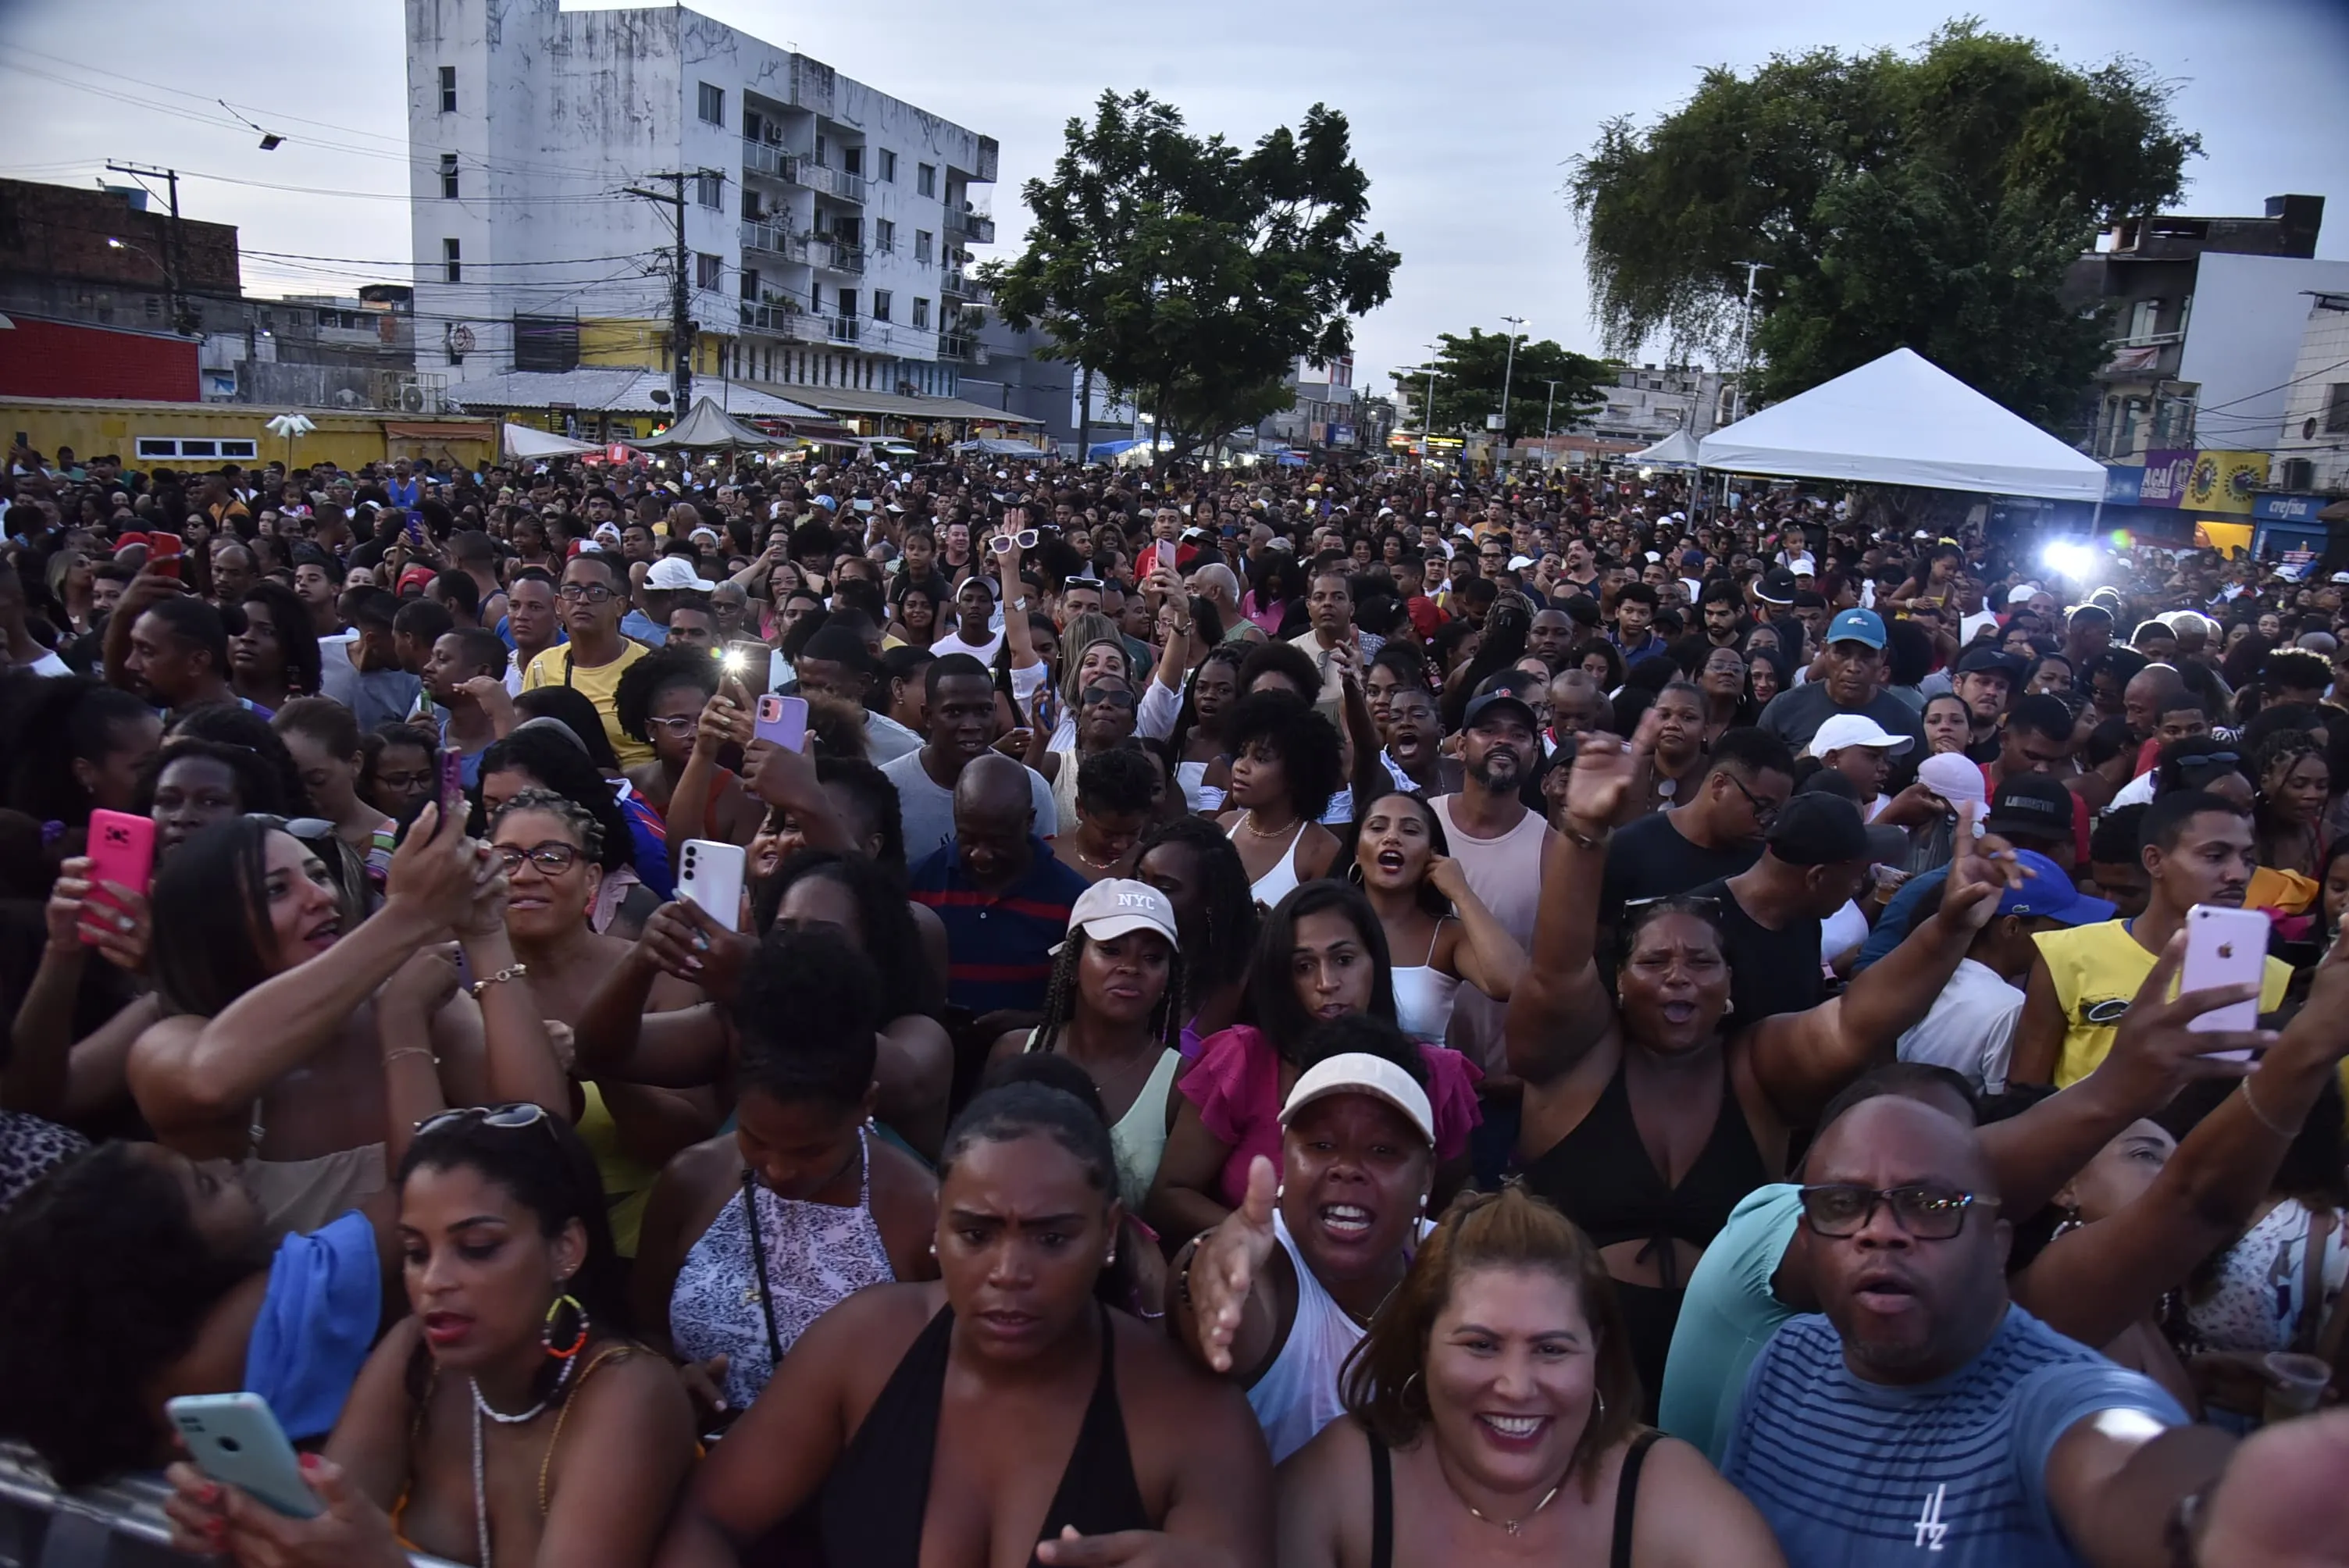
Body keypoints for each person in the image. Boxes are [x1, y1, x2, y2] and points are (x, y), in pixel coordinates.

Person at [1506, 711, 2009, 1409]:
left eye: (1701, 961)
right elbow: (1557, 968)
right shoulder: (1579, 1058)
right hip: (1564, 1363)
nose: (1679, 975)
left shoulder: (1757, 1067)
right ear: (1619, 980)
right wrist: (1585, 832)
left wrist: (1950, 924)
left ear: (1731, 985)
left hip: (1729, 1374)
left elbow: (1859, 1020)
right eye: (1654, 960)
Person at [654, 1081, 1274, 1567]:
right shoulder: (863, 1346)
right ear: (937, 1225)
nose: (1008, 1271)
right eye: (975, 1233)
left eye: (1052, 1237)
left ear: (1109, 1233)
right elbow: (707, 1521)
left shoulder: (1192, 1420)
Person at [1716, 1092, 2244, 1566]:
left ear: (1997, 1246)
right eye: (1842, 1205)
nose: (1880, 1231)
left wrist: (2215, 1519)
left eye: (1931, 1206)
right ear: (1807, 1241)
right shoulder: (1788, 1362)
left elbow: (2128, 1457)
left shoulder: (2048, 1400)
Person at [160, 1107, 697, 1568]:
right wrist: (252, 1527)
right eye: (416, 1252)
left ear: (565, 1249)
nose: (434, 1282)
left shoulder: (629, 1392)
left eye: (478, 1246)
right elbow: (330, 1525)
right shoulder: (416, 1353)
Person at [1277, 1185, 1784, 1568]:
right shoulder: (1346, 1483)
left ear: (1596, 1351)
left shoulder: (1664, 1492)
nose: (1516, 1386)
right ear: (1423, 1343)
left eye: (1550, 1349)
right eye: (1480, 1345)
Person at [128, 804, 567, 1239]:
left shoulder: (406, 995)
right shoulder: (171, 1041)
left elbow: (539, 1133)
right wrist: (410, 915)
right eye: (277, 890)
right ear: (215, 930)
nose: (323, 897)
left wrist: (486, 931)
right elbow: (211, 1081)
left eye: (319, 875)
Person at [633, 925, 938, 1418]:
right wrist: (669, 1377)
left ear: (866, 1105)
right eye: (755, 1138)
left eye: (810, 1150)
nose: (776, 1169)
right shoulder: (690, 1181)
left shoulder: (923, 1215)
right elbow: (644, 1330)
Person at [1146, 882, 1481, 1239]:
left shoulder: (1437, 1076)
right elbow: (1171, 1196)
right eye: (1304, 966)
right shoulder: (1242, 1061)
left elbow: (1449, 1203)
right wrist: (1270, 1244)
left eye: (1344, 960)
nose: (1327, 982)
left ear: (1376, 961)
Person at [1174, 1036, 1444, 1463]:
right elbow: (1227, 1300)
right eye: (1321, 1145)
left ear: (1427, 1176)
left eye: (1383, 1150)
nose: (1348, 1169)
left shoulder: (1460, 1265)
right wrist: (1208, 1269)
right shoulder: (1270, 1264)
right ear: (1284, 1155)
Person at [487, 789, 715, 1255]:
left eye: (552, 857)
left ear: (592, 878)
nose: (526, 875)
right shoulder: (457, 982)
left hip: (646, 1238)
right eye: (507, 858)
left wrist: (601, 1058)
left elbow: (689, 1141)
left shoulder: (654, 973)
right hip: (512, 1245)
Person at [2012, 789, 2293, 1088]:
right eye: (2215, 856)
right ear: (2154, 860)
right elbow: (2024, 1094)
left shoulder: (2272, 977)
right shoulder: (2066, 954)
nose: (2238, 874)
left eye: (2247, 858)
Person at [986, 878, 1187, 1212]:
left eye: (1152, 958)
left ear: (1168, 979)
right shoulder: (1013, 1052)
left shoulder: (1181, 1083)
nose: (1131, 968)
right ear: (1072, 964)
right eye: (1110, 950)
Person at [1896, 851, 2116, 1095]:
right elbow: (2002, 1109)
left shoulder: (1918, 975)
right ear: (2012, 927)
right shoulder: (2009, 1008)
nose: (2069, 937)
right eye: (2061, 927)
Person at [907, 752, 1091, 1017]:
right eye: (967, 838)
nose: (980, 854)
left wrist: (1026, 1023)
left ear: (1029, 821)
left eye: (998, 841)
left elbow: (1084, 1004)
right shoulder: (918, 882)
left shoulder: (1073, 898)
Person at [1431, 685, 1556, 1073]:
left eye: (1519, 734)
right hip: (1417, 1067)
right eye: (1489, 730)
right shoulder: (1419, 824)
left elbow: (1557, 975)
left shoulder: (1552, 848)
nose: (1503, 740)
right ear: (1462, 746)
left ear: (1534, 755)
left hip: (1505, 1081)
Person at [1351, 790, 1525, 1046]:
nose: (1391, 838)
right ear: (1356, 850)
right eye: (1377, 827)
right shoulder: (1331, 923)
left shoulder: (1447, 937)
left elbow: (1514, 982)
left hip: (1422, 1084)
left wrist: (1461, 893)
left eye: (1410, 831)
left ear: (1432, 855)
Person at [1597, 728, 1795, 939]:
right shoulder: (1630, 848)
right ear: (1720, 785)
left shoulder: (1764, 864)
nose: (1768, 822)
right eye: (1762, 807)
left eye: (1776, 813)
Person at [881, 652, 1057, 861]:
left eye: (983, 711)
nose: (971, 726)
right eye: (954, 712)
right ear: (928, 716)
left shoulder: (1033, 789)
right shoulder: (887, 789)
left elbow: (1044, 874)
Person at [1135, 814, 1262, 1052]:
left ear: (1211, 899)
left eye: (1165, 888)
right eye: (1140, 879)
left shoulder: (1243, 975)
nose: (1145, 896)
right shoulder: (1113, 954)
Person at [522, 551, 653, 768]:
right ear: (558, 604)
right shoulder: (541, 666)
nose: (582, 600)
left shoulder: (648, 667)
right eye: (572, 590)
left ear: (619, 606)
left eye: (596, 591)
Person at [1217, 689, 1345, 907]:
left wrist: (1273, 931)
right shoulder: (1223, 826)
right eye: (1241, 753)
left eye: (1260, 758)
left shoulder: (1323, 851)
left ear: (1296, 773)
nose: (1241, 767)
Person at [1754, 608, 1925, 754]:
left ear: (1883, 657)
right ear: (1824, 651)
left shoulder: (1905, 721)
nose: (1853, 667)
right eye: (1843, 654)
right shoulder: (1784, 708)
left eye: (1866, 656)